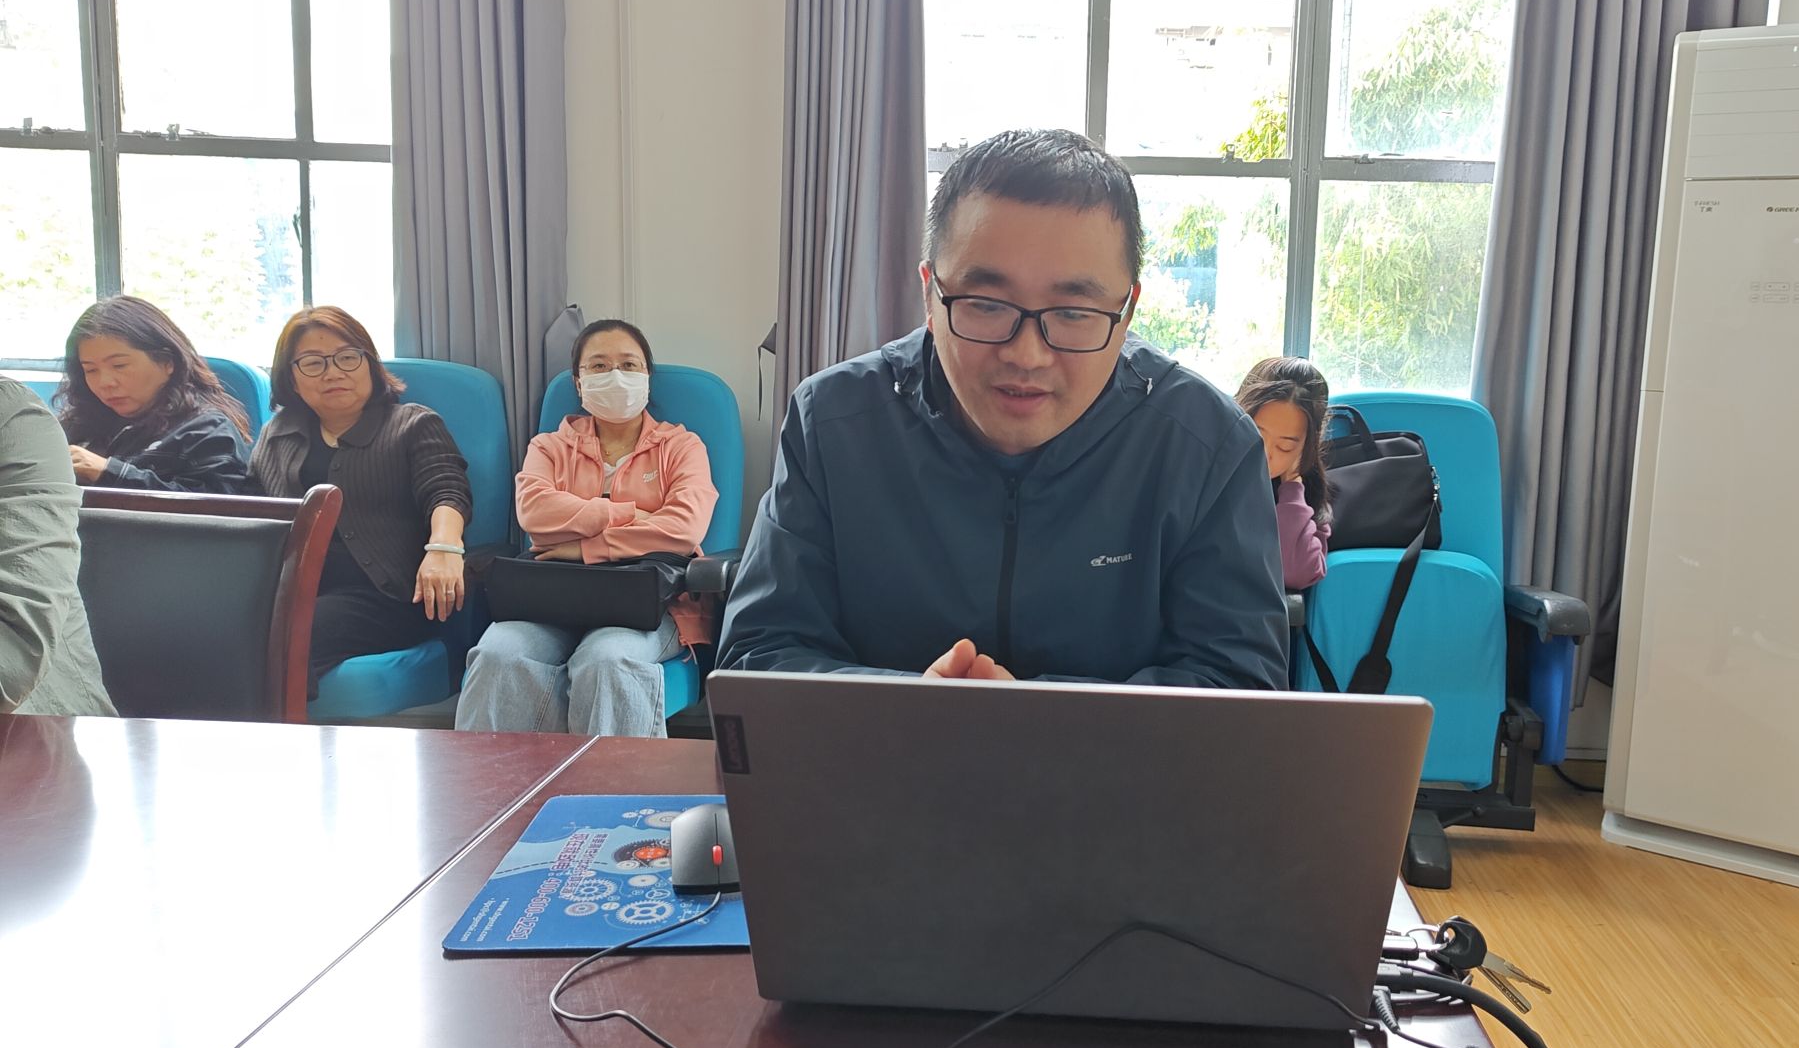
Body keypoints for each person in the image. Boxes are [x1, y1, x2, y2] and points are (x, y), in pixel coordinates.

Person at [718, 127, 1288, 686]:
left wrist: (1030, 718)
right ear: (929, 294)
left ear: (1127, 312)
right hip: (882, 753)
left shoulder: (1206, 447)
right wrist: (911, 708)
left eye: (1073, 313)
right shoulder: (834, 423)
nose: (1026, 355)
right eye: (986, 304)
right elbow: (759, 656)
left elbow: (1240, 686)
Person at [456, 319, 717, 738]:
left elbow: (683, 528)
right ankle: (508, 780)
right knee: (497, 654)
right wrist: (628, 514)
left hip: (651, 604)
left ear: (647, 377)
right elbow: (534, 513)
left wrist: (584, 548)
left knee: (607, 659)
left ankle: (614, 782)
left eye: (628, 364)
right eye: (599, 366)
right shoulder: (549, 446)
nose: (615, 375)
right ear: (579, 384)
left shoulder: (682, 446)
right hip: (552, 598)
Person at [250, 306, 472, 685]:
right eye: (313, 363)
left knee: (279, 636)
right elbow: (252, 512)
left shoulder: (412, 423)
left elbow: (446, 489)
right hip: (292, 592)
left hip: (387, 597)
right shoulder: (277, 434)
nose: (333, 372)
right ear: (292, 379)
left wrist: (444, 548)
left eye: (347, 357)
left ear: (370, 364)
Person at [0, 377, 116, 715]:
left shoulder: (11, 416)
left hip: (32, 729)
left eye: (118, 365)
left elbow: (14, 656)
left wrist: (115, 470)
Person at [56, 296, 253, 493]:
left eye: (119, 365)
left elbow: (219, 505)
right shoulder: (79, 424)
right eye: (90, 370)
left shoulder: (207, 431)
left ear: (167, 362)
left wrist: (110, 472)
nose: (105, 382)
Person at [1234, 356, 1332, 592]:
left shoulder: (1306, 497)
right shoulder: (1205, 470)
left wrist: (1292, 488)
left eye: (1285, 447)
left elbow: (1295, 573)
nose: (1265, 454)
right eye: (1256, 435)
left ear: (1307, 446)